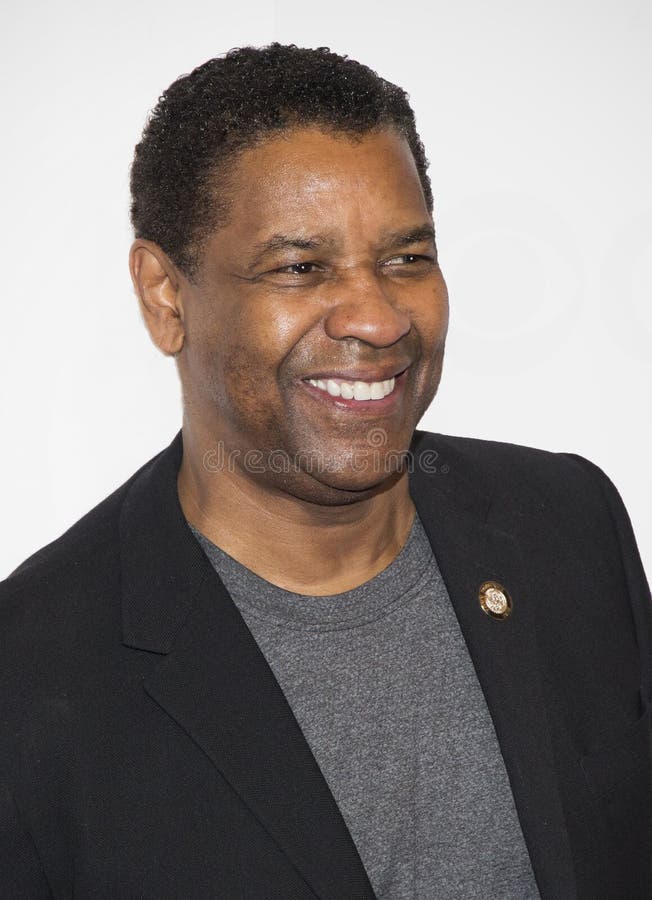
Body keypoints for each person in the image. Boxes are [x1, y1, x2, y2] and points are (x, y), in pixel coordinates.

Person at [0, 43, 650, 900]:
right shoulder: (31, 674)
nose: (378, 319)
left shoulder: (570, 526)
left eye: (406, 258)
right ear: (165, 297)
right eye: (301, 267)